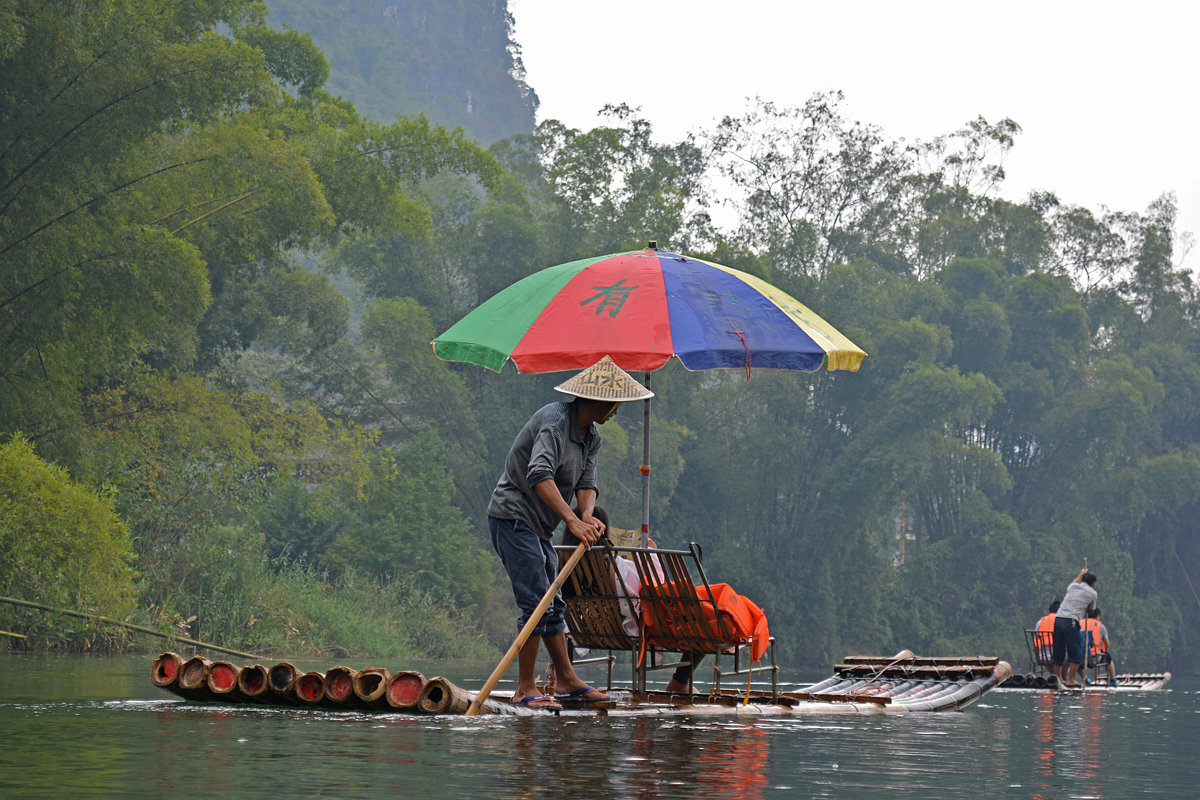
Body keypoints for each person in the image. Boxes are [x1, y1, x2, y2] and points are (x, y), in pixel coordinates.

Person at [486, 357, 652, 710]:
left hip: (540, 528)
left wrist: (587, 515)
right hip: (514, 518)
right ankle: (525, 687)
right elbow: (539, 474)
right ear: (595, 400)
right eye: (614, 403)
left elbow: (587, 484)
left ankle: (565, 679)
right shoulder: (555, 422)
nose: (617, 410)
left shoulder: (591, 436)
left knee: (553, 602)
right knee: (534, 601)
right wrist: (572, 522)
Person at [557, 506, 705, 694]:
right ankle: (680, 681)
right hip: (633, 630)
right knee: (705, 622)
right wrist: (652, 554)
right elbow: (655, 588)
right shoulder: (615, 566)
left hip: (583, 631)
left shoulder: (563, 564)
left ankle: (563, 675)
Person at [1051, 567, 1098, 687]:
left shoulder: (1072, 587)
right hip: (1071, 621)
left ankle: (1059, 678)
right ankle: (1071, 679)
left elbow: (1075, 581)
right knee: (1075, 651)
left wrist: (1081, 573)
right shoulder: (1093, 593)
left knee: (1059, 650)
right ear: (1093, 583)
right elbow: (1091, 610)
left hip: (1059, 619)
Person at [1083, 608, 1118, 686]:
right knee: (1108, 657)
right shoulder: (1100, 626)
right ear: (1098, 616)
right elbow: (1107, 645)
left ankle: (1084, 678)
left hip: (1081, 658)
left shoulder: (1080, 624)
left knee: (1073, 660)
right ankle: (1112, 680)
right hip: (1095, 657)